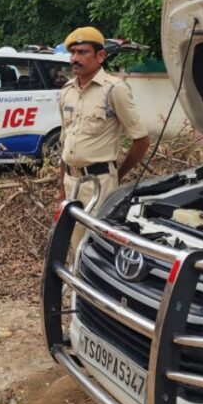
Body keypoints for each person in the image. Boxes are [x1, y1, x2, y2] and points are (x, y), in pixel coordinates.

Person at [56, 26, 151, 249]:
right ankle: (73, 283)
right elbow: (64, 142)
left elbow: (142, 140)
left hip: (99, 184)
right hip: (71, 182)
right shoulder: (67, 91)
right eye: (73, 53)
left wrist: (116, 175)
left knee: (94, 245)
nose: (75, 58)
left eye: (82, 52)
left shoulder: (114, 89)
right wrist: (61, 187)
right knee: (72, 242)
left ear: (101, 56)